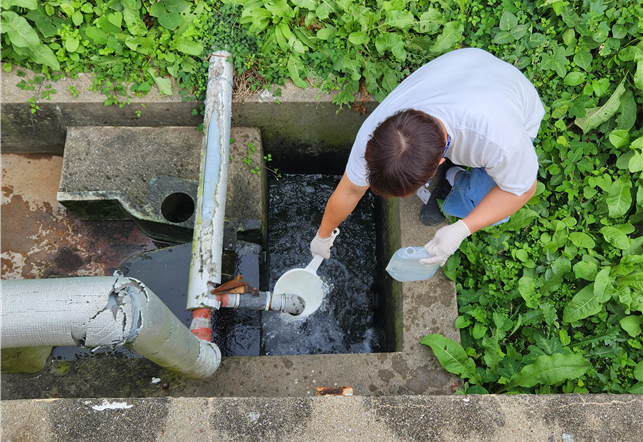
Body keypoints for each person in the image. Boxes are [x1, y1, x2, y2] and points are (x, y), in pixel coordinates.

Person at [310, 48, 545, 266]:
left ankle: (453, 184)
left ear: (439, 163)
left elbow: (523, 190)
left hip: (513, 101)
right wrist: (322, 236)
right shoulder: (376, 134)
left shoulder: (500, 140)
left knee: (491, 211)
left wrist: (463, 228)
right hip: (472, 68)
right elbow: (350, 190)